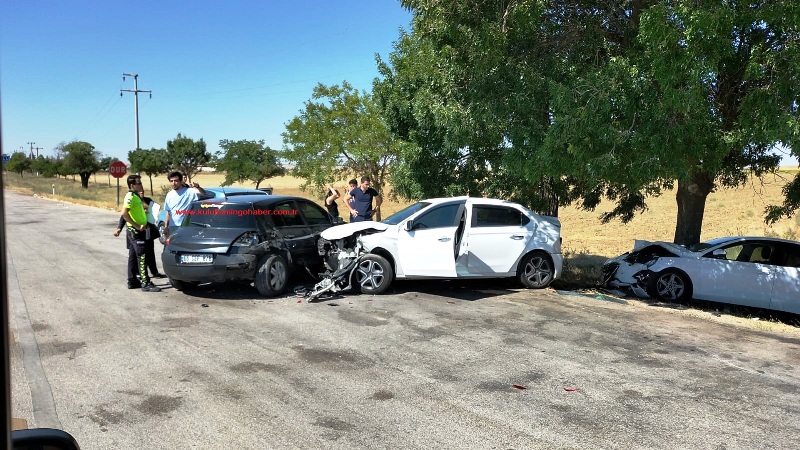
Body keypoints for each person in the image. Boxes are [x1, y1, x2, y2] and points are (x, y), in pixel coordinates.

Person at [114, 183, 163, 279]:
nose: (141, 192)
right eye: (140, 191)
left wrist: (144, 206)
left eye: (143, 191)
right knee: (136, 253)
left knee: (150, 251)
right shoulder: (132, 200)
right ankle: (138, 275)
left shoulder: (147, 200)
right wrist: (119, 227)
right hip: (135, 230)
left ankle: (154, 272)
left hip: (147, 229)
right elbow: (124, 216)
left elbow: (153, 209)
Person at [121, 174, 161, 292]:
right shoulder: (131, 197)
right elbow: (124, 214)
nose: (141, 185)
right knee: (142, 255)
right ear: (132, 185)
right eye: (139, 183)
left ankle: (132, 280)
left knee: (133, 256)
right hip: (136, 231)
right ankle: (145, 282)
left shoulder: (135, 196)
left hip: (138, 230)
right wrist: (137, 226)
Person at [163, 170, 205, 238]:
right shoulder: (169, 195)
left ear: (180, 181)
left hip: (185, 226)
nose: (173, 183)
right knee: (172, 247)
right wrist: (166, 227)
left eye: (176, 181)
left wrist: (198, 187)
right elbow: (168, 213)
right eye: (171, 181)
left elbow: (203, 193)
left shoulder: (189, 191)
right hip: (173, 227)